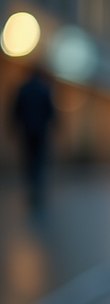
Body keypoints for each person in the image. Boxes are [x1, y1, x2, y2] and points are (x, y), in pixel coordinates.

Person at [10, 67, 56, 210]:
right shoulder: (44, 90)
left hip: (27, 129)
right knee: (39, 156)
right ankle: (37, 181)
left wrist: (13, 125)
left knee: (28, 157)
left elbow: (16, 110)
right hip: (41, 130)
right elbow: (50, 111)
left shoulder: (23, 89)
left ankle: (31, 181)